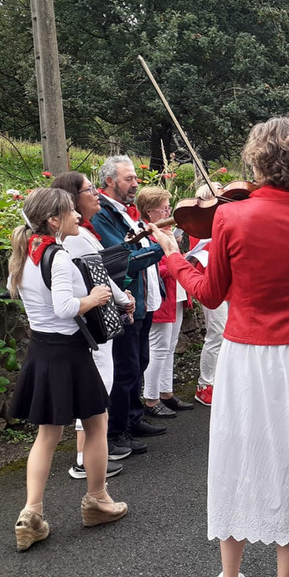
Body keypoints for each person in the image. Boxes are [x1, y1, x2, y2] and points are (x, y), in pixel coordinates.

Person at [150, 117, 289, 577]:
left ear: (259, 158)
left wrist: (174, 256)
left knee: (238, 461)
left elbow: (210, 292)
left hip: (245, 354)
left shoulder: (230, 216)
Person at [7, 188, 128, 551]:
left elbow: (18, 294)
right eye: (71, 211)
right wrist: (96, 298)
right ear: (53, 220)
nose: (78, 216)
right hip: (69, 352)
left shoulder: (25, 251)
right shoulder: (57, 256)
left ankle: (31, 513)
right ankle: (97, 500)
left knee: (47, 434)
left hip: (41, 349)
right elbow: (64, 308)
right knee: (97, 424)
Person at [51, 171, 134, 475]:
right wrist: (124, 299)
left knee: (100, 381)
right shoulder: (76, 237)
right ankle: (85, 458)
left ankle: (92, 453)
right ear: (73, 198)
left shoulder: (79, 233)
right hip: (92, 317)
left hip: (91, 315)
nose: (96, 193)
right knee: (99, 382)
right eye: (90, 190)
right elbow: (98, 274)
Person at [92, 156, 167, 452]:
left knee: (139, 363)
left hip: (142, 300)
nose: (136, 183)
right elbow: (120, 258)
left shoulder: (127, 212)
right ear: (110, 181)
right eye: (129, 179)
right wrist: (162, 247)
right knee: (124, 368)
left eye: (136, 178)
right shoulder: (103, 213)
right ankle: (116, 431)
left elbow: (136, 248)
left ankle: (133, 418)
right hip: (126, 302)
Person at [136, 186, 194, 419]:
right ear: (149, 212)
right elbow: (150, 270)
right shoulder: (145, 235)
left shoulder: (168, 232)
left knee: (170, 346)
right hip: (161, 297)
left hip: (176, 294)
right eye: (163, 209)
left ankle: (166, 392)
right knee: (158, 349)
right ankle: (151, 399)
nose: (168, 213)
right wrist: (177, 264)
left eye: (168, 208)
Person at [188, 183, 232, 406]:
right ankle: (205, 384)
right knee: (216, 334)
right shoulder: (200, 226)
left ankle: (221, 380)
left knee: (227, 335)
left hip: (230, 284)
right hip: (211, 282)